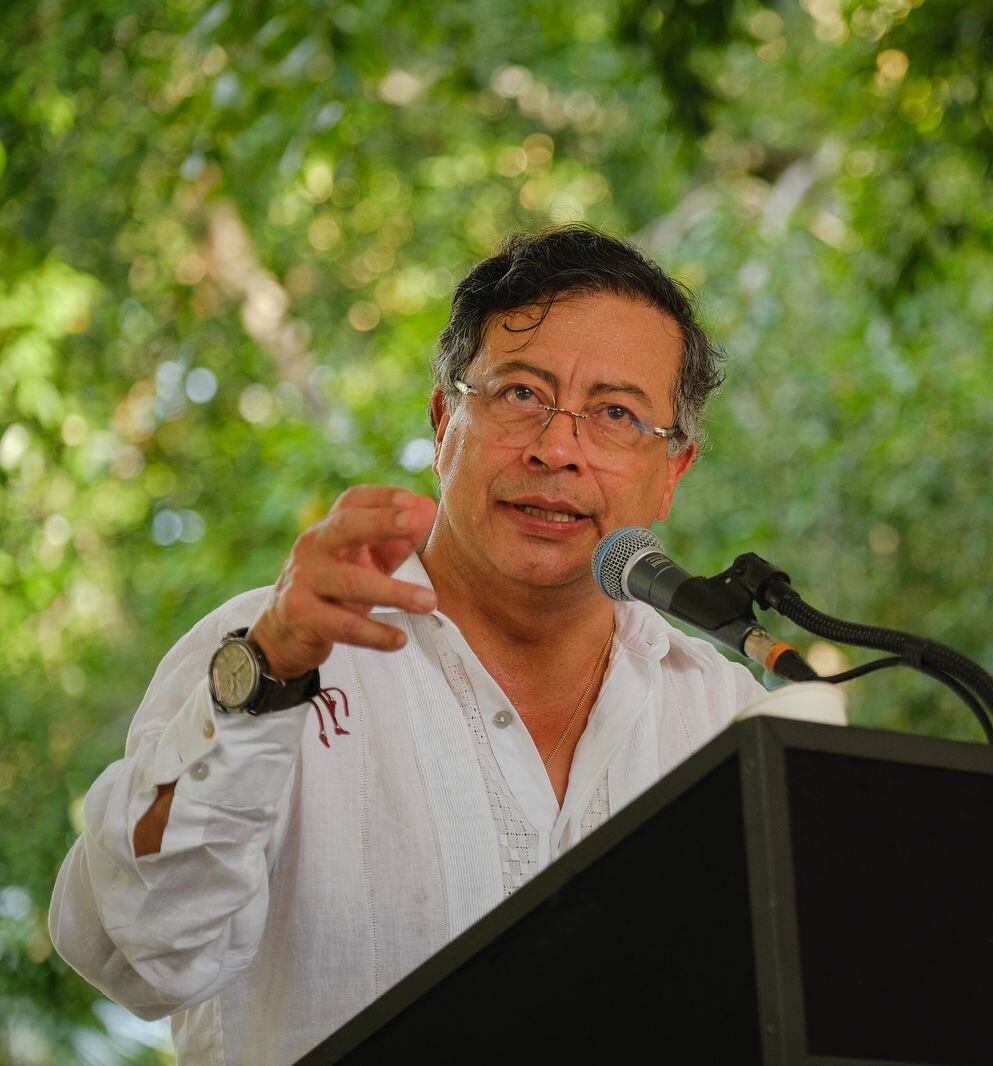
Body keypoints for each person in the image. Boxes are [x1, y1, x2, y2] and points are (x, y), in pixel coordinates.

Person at [48, 225, 766, 1063]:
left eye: (615, 414)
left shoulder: (726, 721)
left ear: (672, 474)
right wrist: (269, 676)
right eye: (521, 394)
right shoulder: (270, 648)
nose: (556, 448)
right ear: (442, 422)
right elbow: (136, 955)